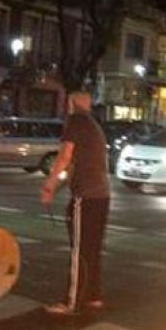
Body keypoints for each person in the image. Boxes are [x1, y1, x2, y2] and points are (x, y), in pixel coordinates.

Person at [41, 92, 110, 315]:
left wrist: (49, 185)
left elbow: (65, 156)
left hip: (86, 196)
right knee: (92, 248)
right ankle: (93, 296)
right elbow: (74, 166)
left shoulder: (76, 121)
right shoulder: (92, 124)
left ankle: (72, 302)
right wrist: (58, 186)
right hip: (101, 195)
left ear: (71, 104)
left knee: (79, 250)